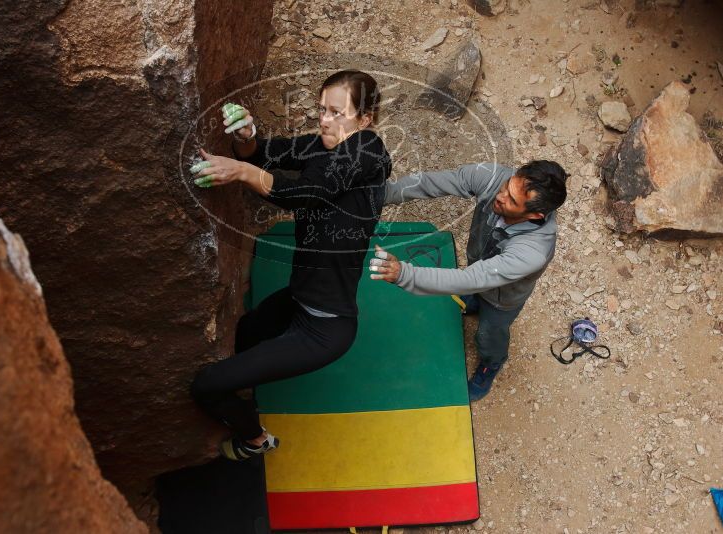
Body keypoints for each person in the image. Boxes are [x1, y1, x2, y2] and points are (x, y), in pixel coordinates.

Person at [189, 70, 392, 460]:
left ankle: (254, 441)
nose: (325, 120)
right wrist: (245, 139)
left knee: (206, 385)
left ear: (365, 120)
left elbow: (307, 192)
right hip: (298, 299)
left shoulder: (367, 151)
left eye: (337, 112)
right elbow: (268, 153)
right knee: (247, 329)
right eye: (321, 109)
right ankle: (246, 385)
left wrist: (242, 172)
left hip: (324, 328)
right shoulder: (327, 145)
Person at [369, 161, 567, 401]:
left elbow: (470, 279)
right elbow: (432, 183)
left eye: (513, 200)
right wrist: (379, 195)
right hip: (480, 267)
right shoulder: (493, 177)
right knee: (474, 292)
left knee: (489, 334)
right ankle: (473, 302)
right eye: (507, 186)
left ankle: (492, 363)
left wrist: (404, 274)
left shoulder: (533, 252)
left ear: (535, 215)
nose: (501, 196)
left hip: (502, 298)